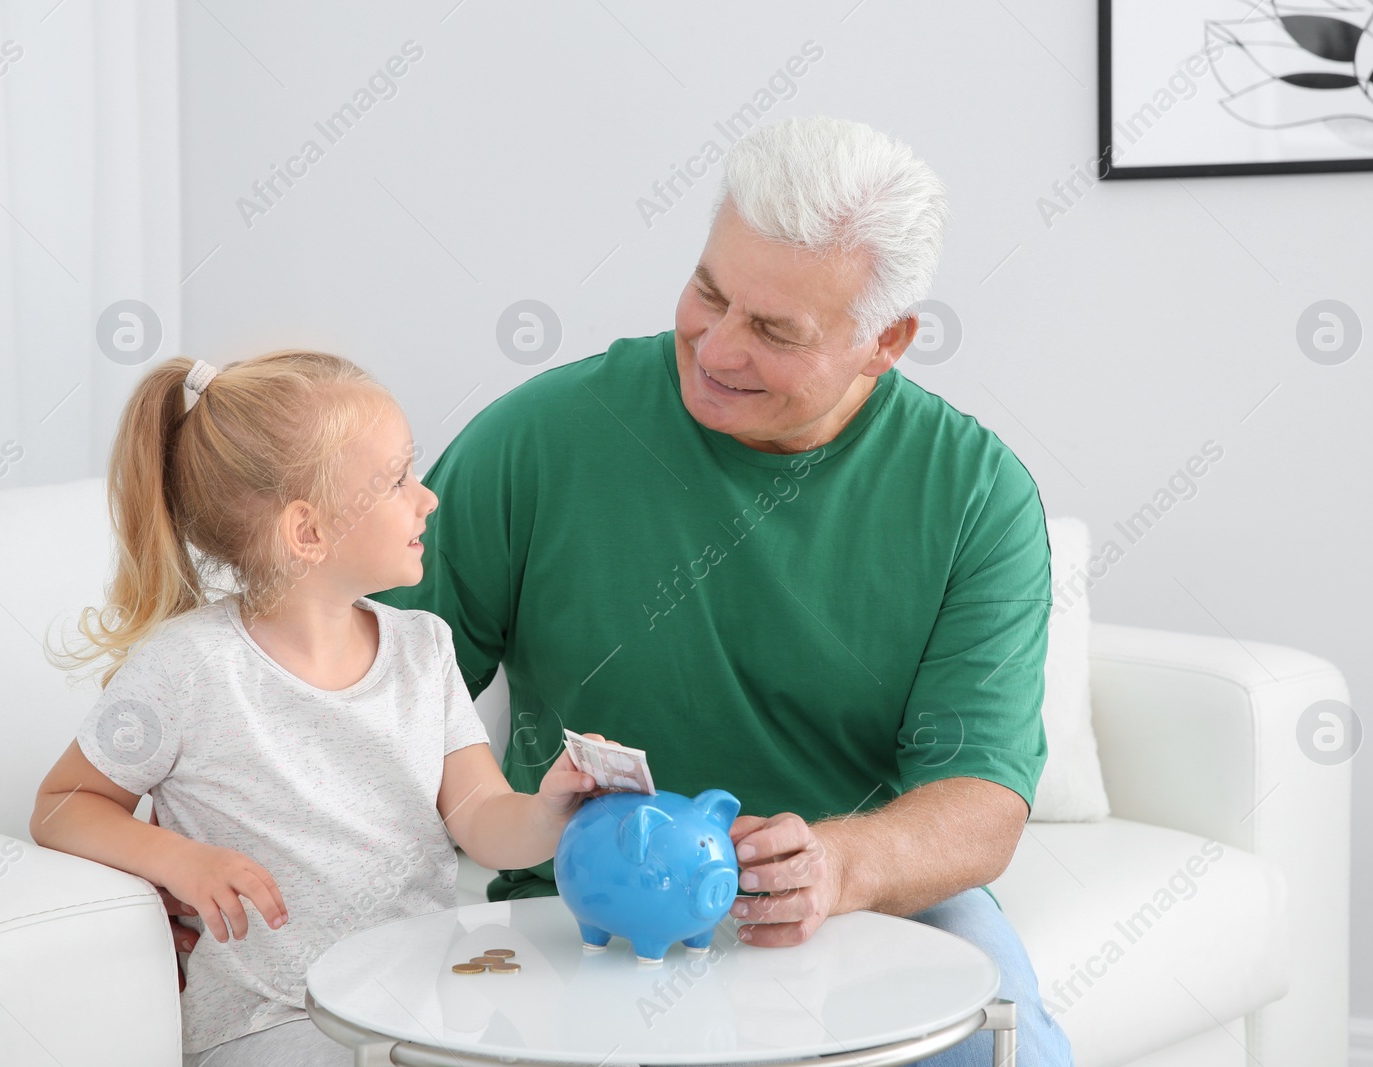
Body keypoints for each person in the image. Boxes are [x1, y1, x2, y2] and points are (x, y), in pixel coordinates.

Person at [373, 116, 1074, 1063]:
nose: (717, 348)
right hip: (589, 902)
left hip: (866, 905)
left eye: (776, 332)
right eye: (709, 293)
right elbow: (365, 689)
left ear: (886, 341)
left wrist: (838, 864)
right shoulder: (537, 440)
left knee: (1008, 1038)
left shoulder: (975, 495)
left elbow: (980, 798)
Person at [30, 351, 610, 1065]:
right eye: (397, 480)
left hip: (426, 1005)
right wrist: (180, 859)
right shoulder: (188, 668)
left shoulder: (423, 650)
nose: (426, 498)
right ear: (306, 532)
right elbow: (63, 803)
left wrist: (552, 809)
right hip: (272, 1023)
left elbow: (484, 822)